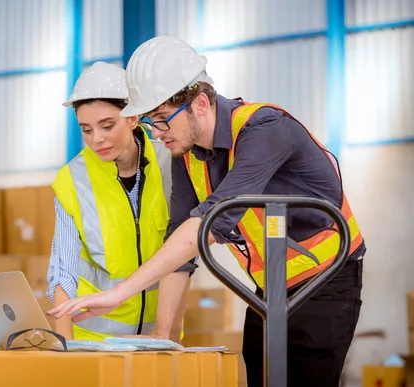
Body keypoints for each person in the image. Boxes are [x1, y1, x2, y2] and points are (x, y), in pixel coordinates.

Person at [48, 37, 366, 386]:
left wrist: (119, 292)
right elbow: (179, 243)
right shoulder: (188, 153)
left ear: (200, 103)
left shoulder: (265, 130)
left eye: (163, 120)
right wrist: (162, 334)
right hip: (270, 285)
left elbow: (207, 227)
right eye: (152, 122)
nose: (156, 133)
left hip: (327, 278)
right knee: (261, 373)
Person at [46, 61, 196, 342]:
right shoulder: (72, 180)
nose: (96, 140)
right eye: (86, 129)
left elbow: (185, 254)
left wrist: (169, 336)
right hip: (91, 342)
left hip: (157, 338)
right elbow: (63, 271)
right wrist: (63, 349)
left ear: (132, 118)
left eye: (106, 125)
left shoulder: (173, 163)